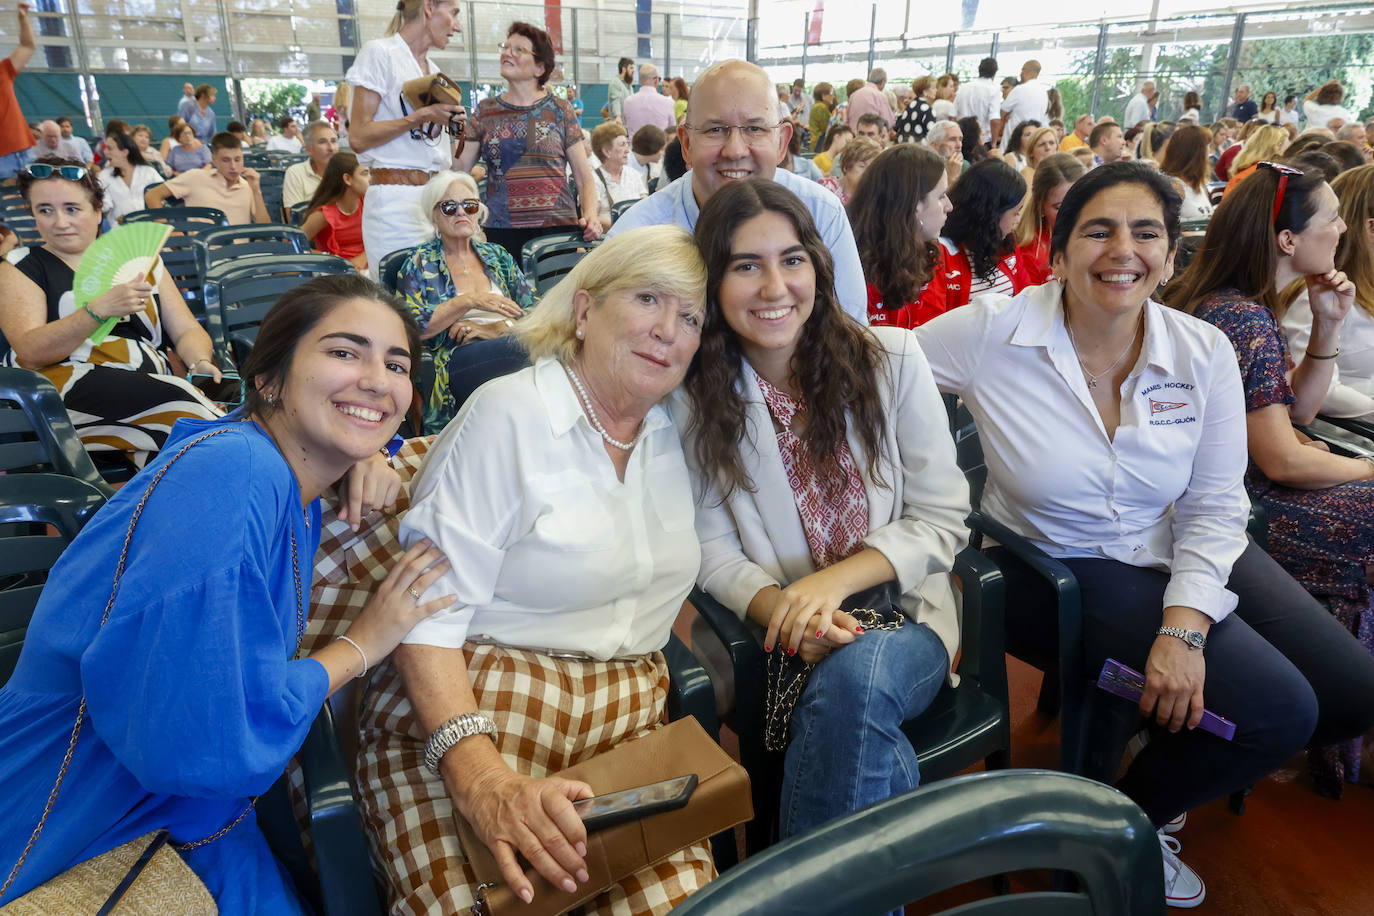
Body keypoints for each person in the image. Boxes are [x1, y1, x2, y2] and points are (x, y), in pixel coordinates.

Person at [918, 159, 1374, 909]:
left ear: (1169, 255)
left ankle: (1157, 739)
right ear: (1058, 253)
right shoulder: (991, 332)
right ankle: (1115, 826)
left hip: (1172, 543)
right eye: (1097, 231)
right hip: (1051, 568)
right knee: (1280, 713)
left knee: (1349, 694)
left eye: (1146, 232)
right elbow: (871, 361)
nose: (1122, 250)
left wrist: (1184, 629)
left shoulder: (1201, 350)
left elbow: (1217, 501)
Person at [0, 273, 456, 913]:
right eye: (344, 352)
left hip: (169, 797)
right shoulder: (233, 473)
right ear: (267, 378)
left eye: (396, 363)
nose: (379, 380)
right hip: (65, 795)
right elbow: (203, 739)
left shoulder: (280, 471)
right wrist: (364, 642)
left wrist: (370, 452)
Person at [357, 225, 716, 915]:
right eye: (647, 299)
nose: (668, 330)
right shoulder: (511, 415)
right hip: (469, 713)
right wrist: (484, 782)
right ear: (584, 309)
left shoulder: (682, 430)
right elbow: (427, 619)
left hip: (628, 728)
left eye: (691, 316)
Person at [679, 177, 969, 851]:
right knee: (869, 748)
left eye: (792, 259)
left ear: (817, 264)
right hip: (773, 640)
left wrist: (827, 587)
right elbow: (713, 551)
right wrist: (785, 611)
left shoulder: (891, 360)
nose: (775, 286)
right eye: (745, 266)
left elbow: (945, 516)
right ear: (713, 285)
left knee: (856, 677)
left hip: (905, 617)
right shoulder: (695, 401)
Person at [1164, 160, 1374, 795]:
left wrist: (1329, 323)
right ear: (1288, 239)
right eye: (1330, 218)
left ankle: (1338, 719)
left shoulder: (1233, 303)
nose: (1341, 228)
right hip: (1236, 508)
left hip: (1224, 494)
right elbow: (1282, 457)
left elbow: (1295, 415)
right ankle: (1336, 720)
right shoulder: (1243, 319)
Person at [607, 59, 869, 325]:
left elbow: (850, 332)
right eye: (716, 130)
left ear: (781, 143)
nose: (735, 151)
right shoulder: (636, 237)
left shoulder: (822, 213)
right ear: (686, 144)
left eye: (755, 129)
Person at [0, 156, 220, 467]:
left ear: (98, 210)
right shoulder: (21, 266)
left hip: (147, 385)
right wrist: (98, 310)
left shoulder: (142, 260)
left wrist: (199, 361)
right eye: (45, 210)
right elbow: (31, 351)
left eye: (71, 209)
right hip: (62, 391)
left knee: (181, 458)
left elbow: (185, 329)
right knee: (192, 414)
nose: (60, 222)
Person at [396, 170, 533, 432]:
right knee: (529, 349)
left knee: (550, 341)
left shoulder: (497, 256)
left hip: (510, 338)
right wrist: (468, 301)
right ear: (433, 216)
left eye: (469, 205)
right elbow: (411, 327)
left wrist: (498, 328)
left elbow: (532, 308)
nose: (461, 213)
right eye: (449, 207)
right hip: (455, 358)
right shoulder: (419, 263)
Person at [454, 23, 599, 261]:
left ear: (540, 67)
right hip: (500, 231)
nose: (507, 53)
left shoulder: (560, 110)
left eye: (519, 49)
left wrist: (591, 213)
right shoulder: (485, 111)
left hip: (556, 230)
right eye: (506, 47)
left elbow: (583, 177)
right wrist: (451, 128)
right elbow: (459, 170)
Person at [345, 0, 466, 269]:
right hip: (395, 203)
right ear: (429, 7)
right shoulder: (379, 53)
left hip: (437, 200)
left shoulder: (434, 72)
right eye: (454, 13)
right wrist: (421, 116)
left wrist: (451, 122)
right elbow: (358, 137)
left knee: (441, 295)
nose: (457, 26)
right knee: (402, 298)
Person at [1281, 164, 1374, 421]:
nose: (1342, 227)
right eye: (1333, 219)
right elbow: (1319, 394)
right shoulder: (1316, 293)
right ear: (1371, 227)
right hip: (1350, 434)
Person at [852, 145, 952, 327]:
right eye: (942, 196)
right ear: (914, 204)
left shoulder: (930, 252)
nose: (949, 206)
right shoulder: (856, 273)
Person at [915, 158, 1028, 319]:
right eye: (1016, 212)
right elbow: (931, 321)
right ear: (992, 214)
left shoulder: (1006, 241)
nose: (1017, 220)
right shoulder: (941, 252)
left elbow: (1026, 298)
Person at [146, 133, 268, 225]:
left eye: (237, 159)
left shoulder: (248, 186)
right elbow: (152, 195)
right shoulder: (195, 177)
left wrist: (257, 191)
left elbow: (266, 231)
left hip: (243, 255)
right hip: (205, 255)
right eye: (226, 160)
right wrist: (170, 233)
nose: (233, 166)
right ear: (214, 160)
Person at [1012, 151, 1085, 286]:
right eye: (1059, 207)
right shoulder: (1029, 253)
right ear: (1041, 206)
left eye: (1079, 202)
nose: (1071, 213)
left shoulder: (1103, 237)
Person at [301, 150, 368, 270]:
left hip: (367, 266)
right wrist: (329, 258)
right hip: (337, 273)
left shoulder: (368, 202)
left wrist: (363, 258)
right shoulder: (323, 214)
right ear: (347, 179)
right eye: (364, 174)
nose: (370, 179)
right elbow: (292, 243)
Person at [588, 121, 648, 230]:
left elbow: (646, 206)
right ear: (607, 152)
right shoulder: (593, 179)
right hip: (610, 239)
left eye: (627, 144)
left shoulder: (633, 174)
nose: (628, 150)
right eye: (622, 145)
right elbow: (591, 217)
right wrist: (623, 228)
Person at [97, 130, 164, 225]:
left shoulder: (148, 172)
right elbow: (105, 204)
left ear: (125, 152)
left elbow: (164, 197)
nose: (105, 152)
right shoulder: (104, 176)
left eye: (109, 148)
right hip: (120, 231)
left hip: (150, 229)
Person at [1159, 123, 1215, 220]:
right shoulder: (1173, 187)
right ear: (1196, 153)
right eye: (1207, 146)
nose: (1209, 152)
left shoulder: (1199, 185)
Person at [283, 120, 340, 212]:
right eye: (322, 142)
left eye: (334, 141)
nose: (331, 148)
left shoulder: (347, 169)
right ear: (309, 150)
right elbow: (294, 219)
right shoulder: (295, 172)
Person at [1222, 124, 1288, 195]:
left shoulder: (1246, 172)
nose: (1288, 148)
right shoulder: (1264, 176)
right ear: (1278, 147)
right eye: (1287, 144)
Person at [1000, 60, 1049, 153]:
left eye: (1022, 70)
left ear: (1025, 70)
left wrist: (1006, 116)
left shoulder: (1020, 89)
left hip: (1013, 140)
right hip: (1032, 140)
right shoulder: (1044, 93)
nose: (1021, 73)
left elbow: (1003, 110)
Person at [818, 135, 879, 206]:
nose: (867, 172)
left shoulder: (872, 197)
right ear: (846, 166)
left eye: (871, 168)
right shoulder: (826, 188)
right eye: (862, 166)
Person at [955, 57, 1001, 148]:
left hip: (961, 136)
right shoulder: (993, 90)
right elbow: (994, 120)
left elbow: (952, 115)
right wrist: (994, 143)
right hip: (983, 140)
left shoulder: (964, 87)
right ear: (994, 73)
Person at [623, 63, 675, 138]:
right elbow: (672, 130)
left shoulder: (628, 102)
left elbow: (626, 124)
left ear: (641, 80)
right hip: (660, 147)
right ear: (656, 80)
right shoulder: (668, 102)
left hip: (635, 147)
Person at [895, 76, 936, 144]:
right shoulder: (928, 110)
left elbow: (898, 126)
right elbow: (931, 134)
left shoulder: (910, 106)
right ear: (925, 91)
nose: (936, 90)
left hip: (903, 146)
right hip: (919, 148)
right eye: (933, 88)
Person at [926, 120, 966, 186]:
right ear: (935, 146)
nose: (959, 145)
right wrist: (952, 177)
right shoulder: (923, 170)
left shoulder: (964, 165)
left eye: (960, 139)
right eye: (952, 139)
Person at [809, 82, 834, 152]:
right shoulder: (821, 107)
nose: (833, 97)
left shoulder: (817, 106)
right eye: (831, 94)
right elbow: (828, 127)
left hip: (816, 142)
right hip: (819, 143)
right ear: (824, 96)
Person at [607, 56, 634, 121]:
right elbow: (615, 100)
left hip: (628, 125)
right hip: (619, 125)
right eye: (631, 68)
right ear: (624, 69)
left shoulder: (629, 86)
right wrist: (618, 116)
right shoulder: (616, 82)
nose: (633, 70)